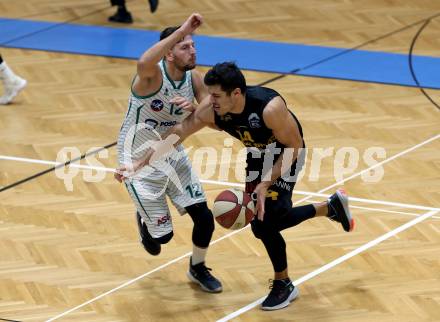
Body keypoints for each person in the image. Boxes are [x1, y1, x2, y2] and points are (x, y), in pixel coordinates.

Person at [117, 62, 355, 310]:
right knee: (263, 223)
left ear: (237, 93)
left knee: (265, 224)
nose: (210, 100)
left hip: (285, 156)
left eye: (216, 95)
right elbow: (180, 131)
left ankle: (284, 284)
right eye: (210, 94)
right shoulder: (213, 108)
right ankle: (331, 208)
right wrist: (141, 162)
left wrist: (265, 183)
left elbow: (294, 146)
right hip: (257, 155)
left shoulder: (269, 108)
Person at [114, 13, 222, 293]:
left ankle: (197, 267)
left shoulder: (194, 79)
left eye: (194, 45)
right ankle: (145, 220)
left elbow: (215, 122)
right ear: (170, 53)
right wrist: (183, 29)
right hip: (137, 158)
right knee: (162, 239)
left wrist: (194, 109)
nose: (193, 50)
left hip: (171, 150)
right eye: (185, 46)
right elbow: (143, 61)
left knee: (205, 218)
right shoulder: (151, 77)